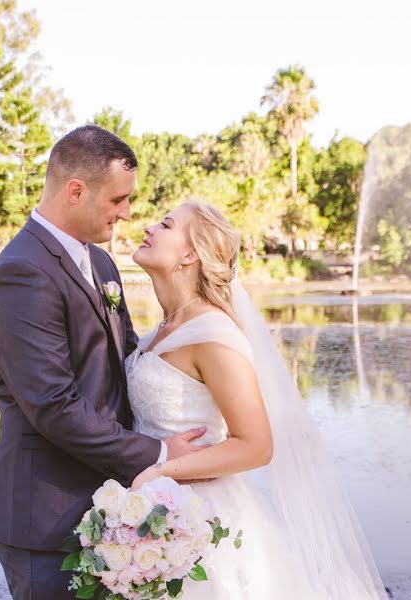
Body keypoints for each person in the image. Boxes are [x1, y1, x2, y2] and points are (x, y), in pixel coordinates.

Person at [0, 125, 206, 599]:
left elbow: (123, 362)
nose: (126, 213)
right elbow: (53, 405)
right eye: (118, 200)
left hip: (110, 504)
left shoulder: (101, 265)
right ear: (75, 191)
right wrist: (160, 454)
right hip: (44, 514)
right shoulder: (21, 274)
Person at [126, 200, 388, 599]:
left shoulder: (212, 333)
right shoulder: (165, 327)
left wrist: (162, 473)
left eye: (165, 225)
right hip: (161, 510)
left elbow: (256, 446)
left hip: (203, 518)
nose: (148, 228)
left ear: (190, 253)